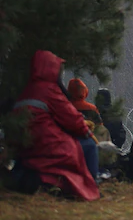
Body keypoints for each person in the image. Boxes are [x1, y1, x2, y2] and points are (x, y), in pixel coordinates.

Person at [12, 50, 100, 200]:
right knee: (89, 146)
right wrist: (87, 133)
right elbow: (72, 119)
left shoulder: (26, 91)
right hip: (49, 144)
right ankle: (91, 187)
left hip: (28, 147)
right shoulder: (50, 91)